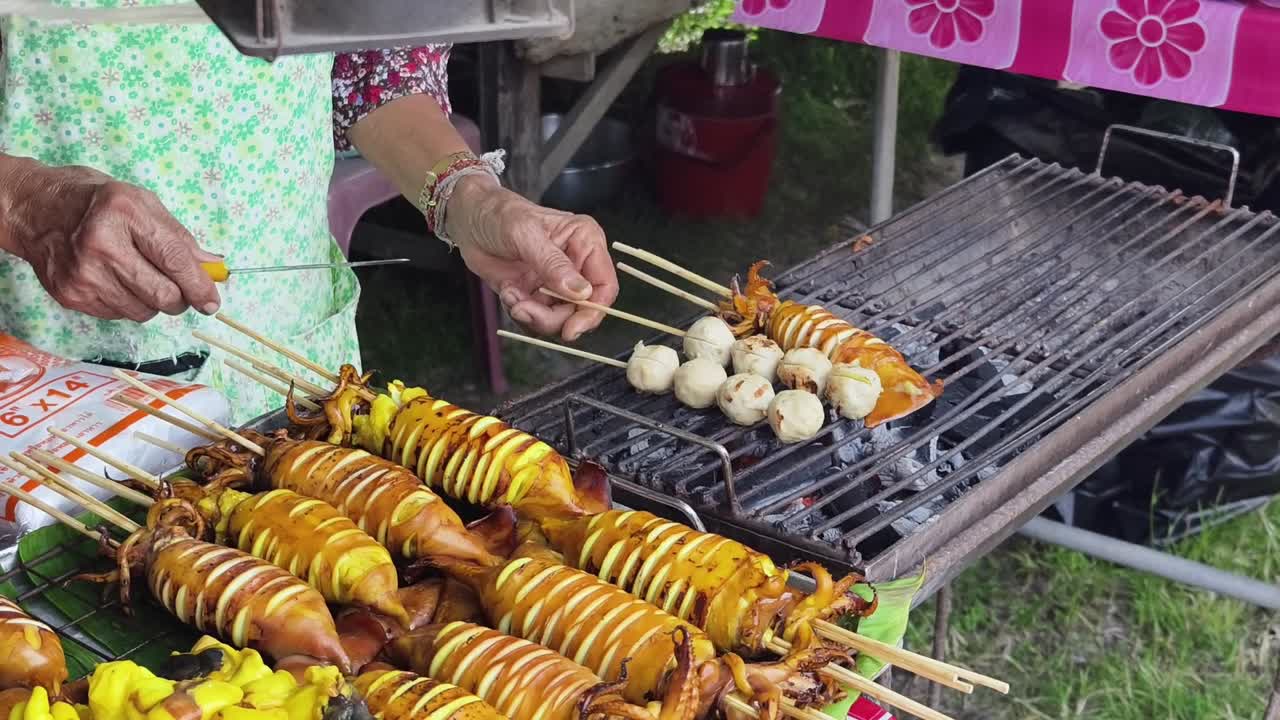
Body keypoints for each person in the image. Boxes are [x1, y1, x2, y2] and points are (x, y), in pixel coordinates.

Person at [0, 6, 619, 423]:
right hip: (40, 384)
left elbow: (370, 72)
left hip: (287, 354)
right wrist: (25, 204)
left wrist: (473, 198)